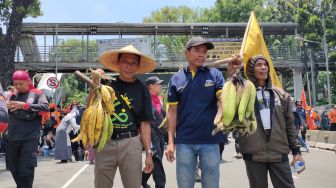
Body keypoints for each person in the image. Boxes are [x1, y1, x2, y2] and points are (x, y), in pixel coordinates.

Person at [165, 36, 224, 188]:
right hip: (184, 142)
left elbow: (222, 100)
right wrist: (170, 142)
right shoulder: (176, 79)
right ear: (186, 53)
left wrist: (233, 74)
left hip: (210, 141)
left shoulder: (215, 75)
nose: (201, 54)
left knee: (211, 185)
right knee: (185, 185)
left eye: (204, 52)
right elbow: (172, 112)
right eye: (197, 50)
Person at [239, 55, 304, 188]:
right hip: (253, 154)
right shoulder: (242, 94)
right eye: (259, 65)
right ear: (251, 69)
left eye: (265, 65)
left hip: (278, 153)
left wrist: (297, 151)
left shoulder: (282, 95)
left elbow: (290, 125)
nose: (263, 67)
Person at [95, 45, 154, 188]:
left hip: (131, 143)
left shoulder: (142, 89)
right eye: (125, 62)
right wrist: (94, 83)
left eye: (133, 62)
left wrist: (148, 153)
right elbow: (90, 108)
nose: (129, 66)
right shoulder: (106, 84)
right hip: (105, 143)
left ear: (138, 66)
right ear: (118, 63)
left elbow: (145, 124)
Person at [6, 70, 49, 188]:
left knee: (26, 169)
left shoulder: (36, 93)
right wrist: (7, 106)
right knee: (13, 168)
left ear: (28, 82)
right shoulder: (13, 94)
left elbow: (45, 107)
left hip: (29, 137)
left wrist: (25, 105)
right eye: (15, 84)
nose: (18, 86)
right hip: (12, 137)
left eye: (21, 83)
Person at [141, 76, 166, 188]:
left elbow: (163, 114)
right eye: (157, 84)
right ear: (150, 86)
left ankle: (142, 179)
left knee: (157, 159)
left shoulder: (160, 98)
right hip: (150, 132)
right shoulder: (145, 99)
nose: (159, 86)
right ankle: (160, 185)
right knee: (156, 158)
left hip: (160, 132)